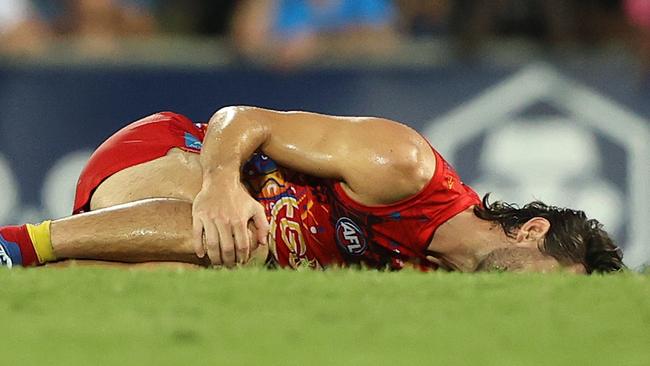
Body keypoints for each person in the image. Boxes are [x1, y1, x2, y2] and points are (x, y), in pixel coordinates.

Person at [0, 107, 624, 273]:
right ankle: (13, 246)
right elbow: (242, 119)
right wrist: (221, 183)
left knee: (184, 288)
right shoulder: (403, 166)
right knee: (244, 237)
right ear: (534, 232)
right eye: (552, 282)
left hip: (184, 240)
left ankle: (38, 276)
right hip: (168, 156)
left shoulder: (437, 285)